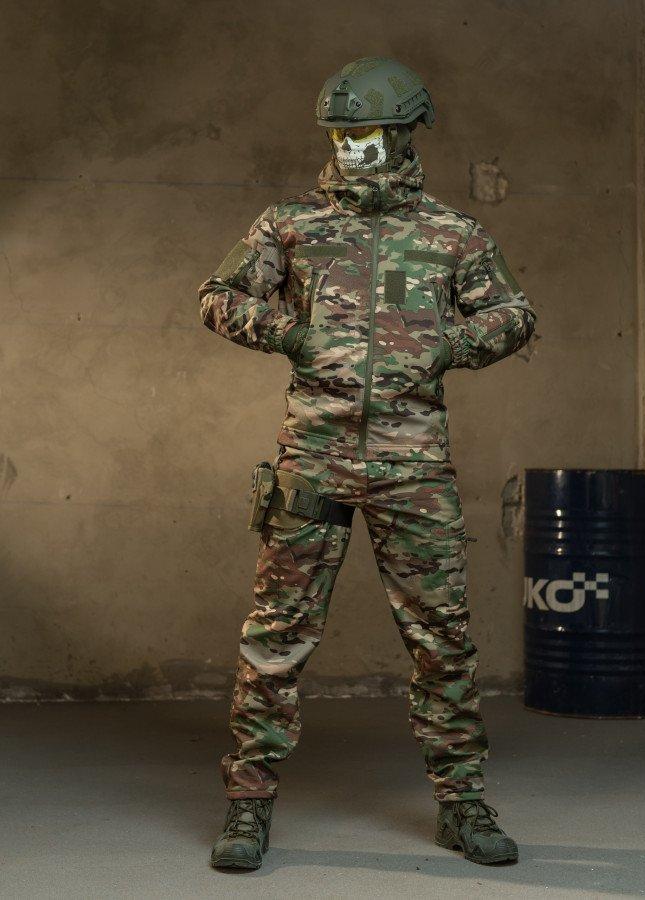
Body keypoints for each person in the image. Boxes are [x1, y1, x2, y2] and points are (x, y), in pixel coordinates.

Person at [199, 57, 536, 870]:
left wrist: (451, 344)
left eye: (371, 133)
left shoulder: (453, 235)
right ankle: (247, 808)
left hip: (412, 465)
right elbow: (218, 296)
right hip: (312, 458)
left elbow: (514, 314)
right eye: (343, 135)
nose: (354, 148)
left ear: (408, 133)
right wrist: (291, 332)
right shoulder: (291, 225)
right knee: (276, 636)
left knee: (442, 641)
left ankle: (462, 804)